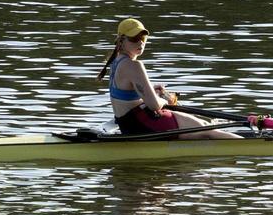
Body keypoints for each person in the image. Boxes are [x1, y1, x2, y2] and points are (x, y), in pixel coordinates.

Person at [97, 18, 241, 139]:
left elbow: (127, 95)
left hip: (129, 124)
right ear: (121, 41)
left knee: (203, 126)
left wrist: (152, 91)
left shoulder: (116, 62)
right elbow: (154, 105)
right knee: (208, 129)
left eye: (142, 38)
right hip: (143, 124)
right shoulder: (134, 65)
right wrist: (164, 99)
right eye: (134, 38)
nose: (140, 42)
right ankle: (250, 147)